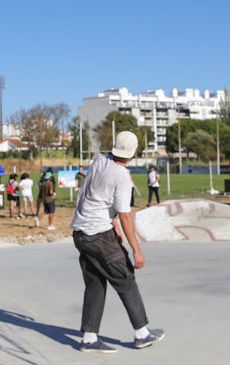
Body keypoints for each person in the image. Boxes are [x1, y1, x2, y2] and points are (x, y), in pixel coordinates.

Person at [71, 131, 164, 353]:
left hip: (81, 233)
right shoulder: (122, 177)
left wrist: (112, 224)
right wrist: (137, 250)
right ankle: (142, 333)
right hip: (99, 235)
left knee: (95, 283)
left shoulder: (99, 161)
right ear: (134, 152)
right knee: (125, 279)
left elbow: (96, 197)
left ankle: (89, 338)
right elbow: (125, 215)